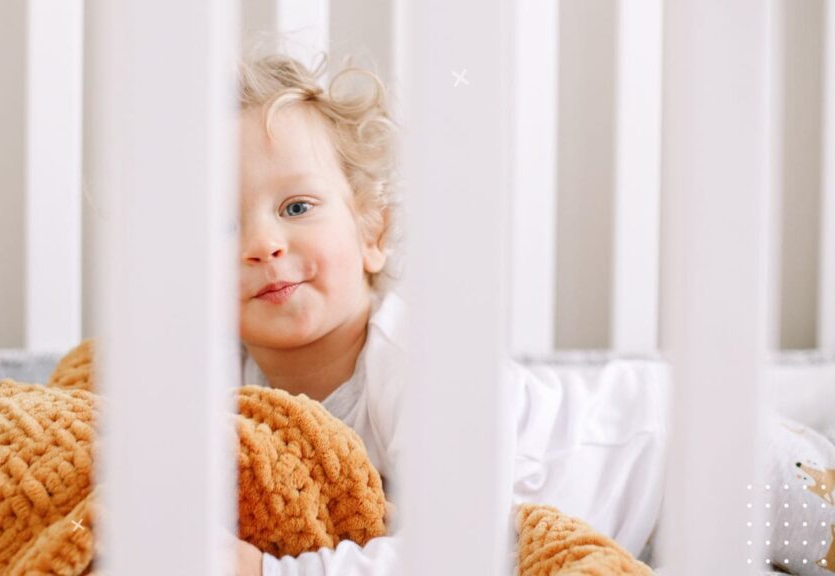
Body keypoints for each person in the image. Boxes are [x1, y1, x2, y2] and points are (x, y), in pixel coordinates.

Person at [231, 53, 667, 576]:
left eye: (297, 207)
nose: (262, 244)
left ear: (372, 232)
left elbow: (460, 552)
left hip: (690, 459)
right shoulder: (223, 390)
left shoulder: (422, 361)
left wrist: (260, 571)